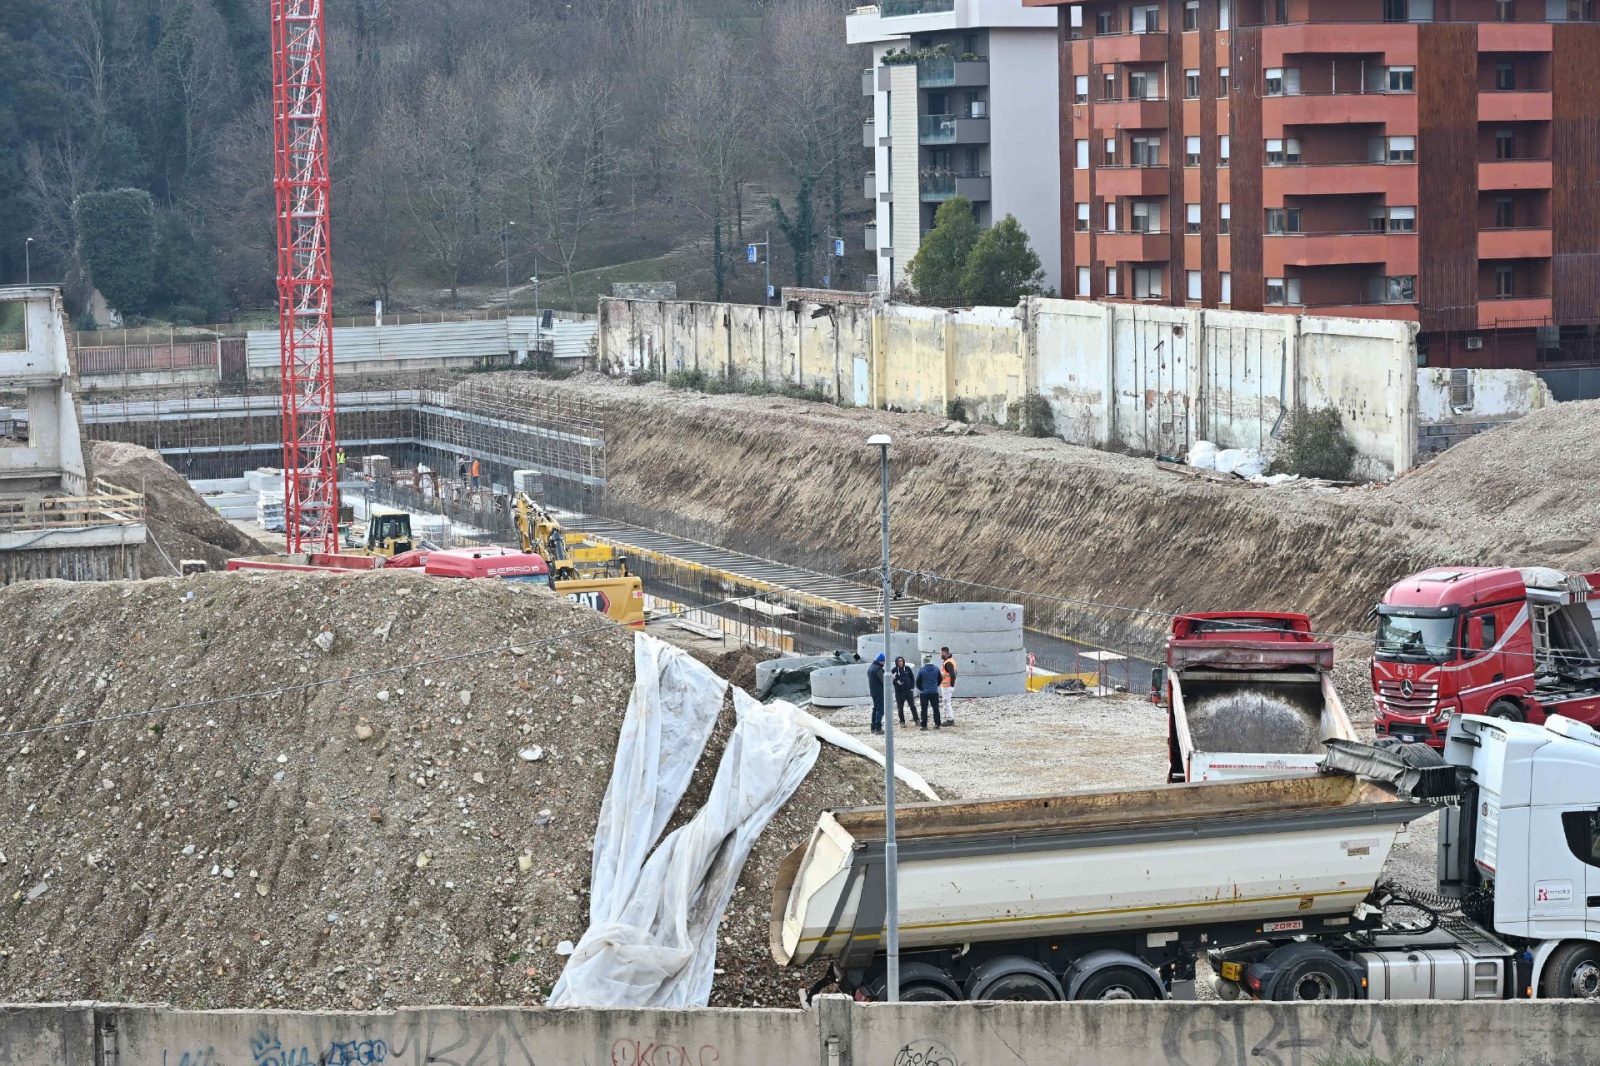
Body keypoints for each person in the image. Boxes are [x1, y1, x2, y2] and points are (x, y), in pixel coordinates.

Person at [915, 655, 943, 729]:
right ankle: (937, 723)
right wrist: (936, 686)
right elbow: (940, 678)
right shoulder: (936, 669)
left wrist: (921, 688)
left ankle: (924, 725)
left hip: (924, 692)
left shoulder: (921, 670)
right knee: (936, 708)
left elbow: (917, 681)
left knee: (924, 709)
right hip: (934, 691)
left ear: (924, 661)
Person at [891, 655, 916, 726]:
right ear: (896, 662)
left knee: (912, 706)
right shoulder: (894, 670)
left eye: (901, 661)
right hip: (899, 692)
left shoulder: (907, 669)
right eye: (899, 661)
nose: (900, 662)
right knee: (900, 707)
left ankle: (916, 719)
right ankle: (902, 721)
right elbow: (892, 680)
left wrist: (911, 688)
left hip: (908, 690)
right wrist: (897, 682)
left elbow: (912, 678)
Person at [866, 653, 887, 735]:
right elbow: (884, 681)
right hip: (879, 691)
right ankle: (878, 728)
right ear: (881, 661)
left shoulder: (871, 667)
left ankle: (873, 727)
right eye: (884, 661)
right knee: (880, 709)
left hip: (873, 691)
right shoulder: (878, 669)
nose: (884, 663)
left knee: (875, 708)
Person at [939, 646, 958, 726]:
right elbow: (955, 672)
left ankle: (950, 719)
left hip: (947, 686)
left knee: (947, 703)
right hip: (947, 686)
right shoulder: (950, 660)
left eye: (940, 653)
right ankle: (949, 718)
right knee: (946, 702)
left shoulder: (948, 663)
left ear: (944, 653)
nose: (940, 655)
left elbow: (953, 674)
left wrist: (951, 685)